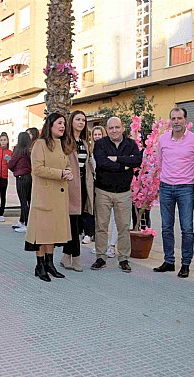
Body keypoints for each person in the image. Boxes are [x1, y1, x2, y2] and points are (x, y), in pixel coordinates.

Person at [153, 108, 194, 278]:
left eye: (180, 118)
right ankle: (169, 261)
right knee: (166, 227)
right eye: (173, 118)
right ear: (170, 121)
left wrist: (189, 179)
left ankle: (185, 264)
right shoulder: (163, 139)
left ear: (185, 120)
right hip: (166, 187)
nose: (176, 121)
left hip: (185, 188)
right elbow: (160, 161)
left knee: (187, 228)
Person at [24, 113, 73, 282]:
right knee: (42, 232)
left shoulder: (61, 144)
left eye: (64, 124)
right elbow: (37, 169)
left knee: (53, 231)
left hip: (59, 196)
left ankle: (50, 263)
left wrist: (68, 173)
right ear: (50, 125)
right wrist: (61, 173)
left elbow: (66, 165)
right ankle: (40, 265)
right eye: (60, 123)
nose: (63, 127)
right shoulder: (40, 144)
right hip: (44, 196)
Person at [91, 117, 142, 273]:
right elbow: (102, 163)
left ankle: (124, 259)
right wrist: (124, 165)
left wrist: (117, 159)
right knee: (101, 226)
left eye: (117, 127)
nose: (114, 130)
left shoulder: (131, 144)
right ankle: (100, 257)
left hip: (123, 192)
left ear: (122, 128)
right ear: (107, 129)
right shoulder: (100, 144)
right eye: (111, 128)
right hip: (103, 191)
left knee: (124, 227)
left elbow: (137, 161)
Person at [60, 110, 93, 272]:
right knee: (73, 223)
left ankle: (66, 255)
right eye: (78, 119)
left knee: (77, 223)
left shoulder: (84, 143)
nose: (81, 122)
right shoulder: (66, 141)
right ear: (71, 121)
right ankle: (76, 257)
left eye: (83, 120)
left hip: (83, 186)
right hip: (70, 186)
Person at [8, 132, 32, 233]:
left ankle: (26, 224)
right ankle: (22, 221)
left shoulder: (18, 150)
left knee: (23, 202)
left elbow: (11, 163)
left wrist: (10, 165)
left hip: (21, 177)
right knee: (28, 201)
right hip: (29, 177)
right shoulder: (29, 150)